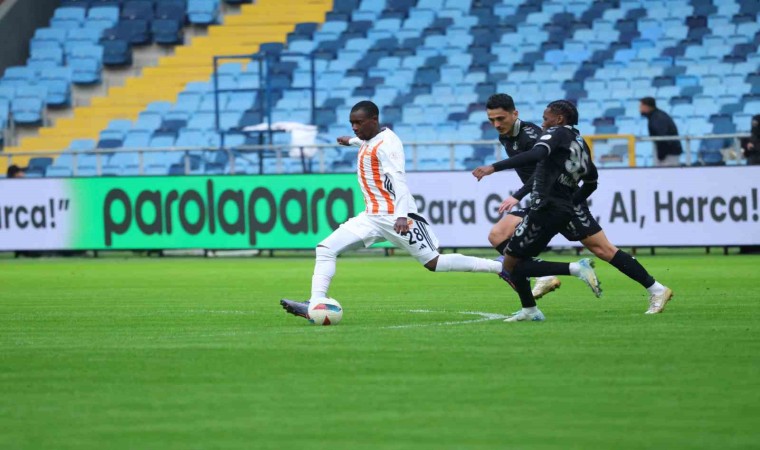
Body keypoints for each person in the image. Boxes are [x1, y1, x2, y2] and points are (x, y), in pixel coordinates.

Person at [280, 100, 545, 320]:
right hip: (371, 217)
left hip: (396, 216)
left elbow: (398, 180)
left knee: (434, 263)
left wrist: (401, 216)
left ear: (374, 120)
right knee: (326, 248)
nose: (355, 127)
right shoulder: (370, 139)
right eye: (352, 124)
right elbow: (366, 145)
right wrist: (351, 140)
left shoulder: (388, 144)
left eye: (359, 123)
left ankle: (500, 267)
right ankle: (316, 302)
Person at [474, 96, 674, 315]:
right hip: (545, 200)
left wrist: (516, 193)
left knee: (604, 250)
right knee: (498, 234)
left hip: (556, 199)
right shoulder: (507, 136)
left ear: (515, 114)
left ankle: (656, 289)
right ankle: (543, 278)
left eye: (500, 118)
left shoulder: (534, 135)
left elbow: (544, 164)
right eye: (491, 120)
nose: (496, 124)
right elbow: (586, 177)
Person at [639, 97, 682, 167]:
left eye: (641, 106)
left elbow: (663, 137)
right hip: (668, 153)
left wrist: (661, 155)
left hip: (669, 155)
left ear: (647, 106)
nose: (640, 109)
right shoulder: (656, 116)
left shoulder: (657, 118)